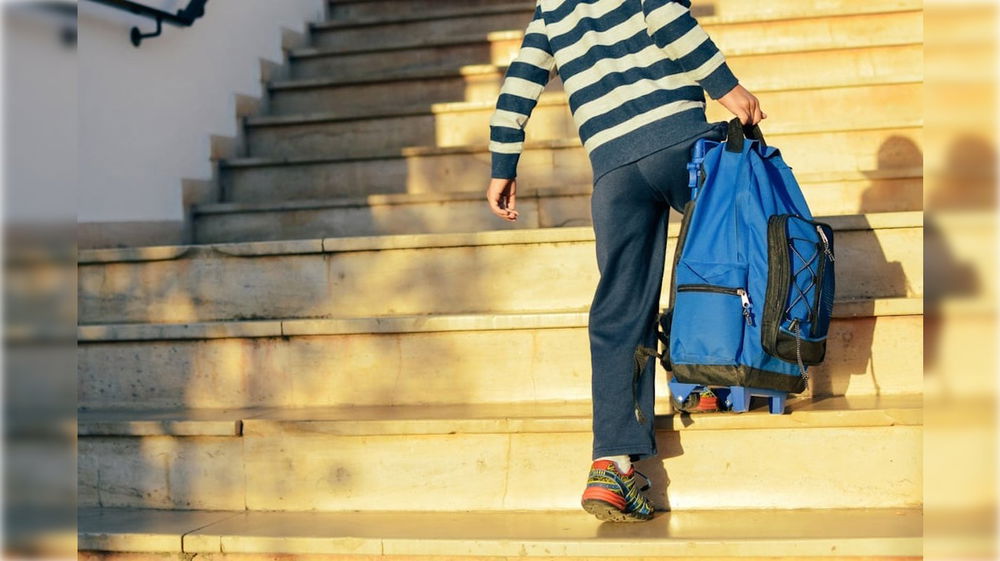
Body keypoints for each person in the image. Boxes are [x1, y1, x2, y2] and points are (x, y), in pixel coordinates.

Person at [485, 0, 766, 522]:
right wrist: (727, 88)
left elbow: (518, 87)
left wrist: (504, 164)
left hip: (613, 172)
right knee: (727, 249)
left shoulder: (550, 10)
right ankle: (706, 375)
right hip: (681, 140)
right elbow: (665, 15)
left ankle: (611, 466)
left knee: (620, 306)